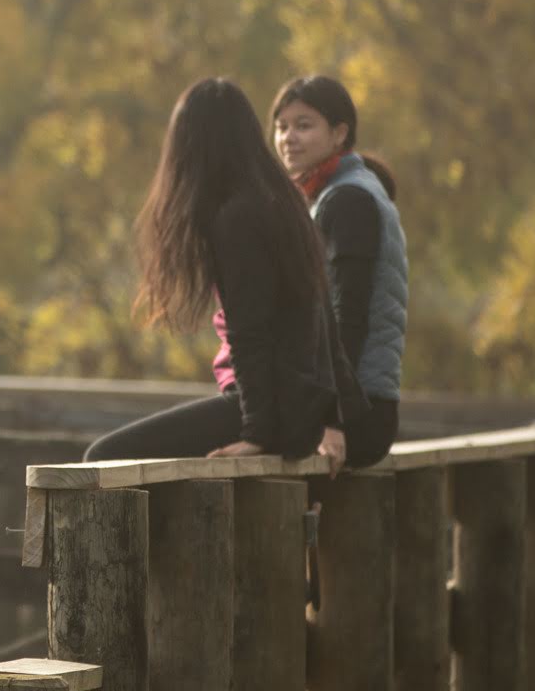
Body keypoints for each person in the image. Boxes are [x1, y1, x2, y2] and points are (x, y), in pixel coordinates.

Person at [80, 77, 356, 468]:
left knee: (102, 458)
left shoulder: (237, 218)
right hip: (300, 410)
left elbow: (250, 333)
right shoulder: (283, 203)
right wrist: (331, 419)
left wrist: (256, 435)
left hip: (276, 414)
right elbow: (324, 320)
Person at [271, 74, 408, 470]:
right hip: (346, 410)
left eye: (303, 125)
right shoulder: (331, 195)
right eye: (281, 127)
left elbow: (350, 316)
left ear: (339, 133)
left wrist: (333, 420)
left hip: (355, 417)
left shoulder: (348, 201)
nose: (288, 138)